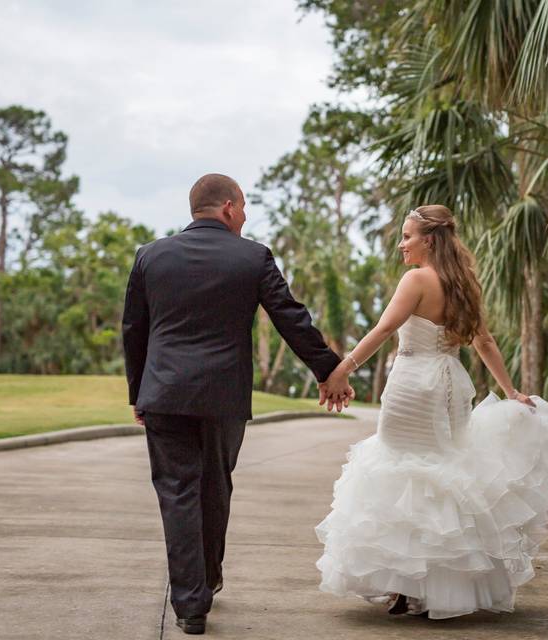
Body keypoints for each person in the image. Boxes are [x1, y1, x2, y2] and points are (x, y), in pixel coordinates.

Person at [122, 173, 353, 635]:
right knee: (214, 487)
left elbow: (134, 331)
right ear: (228, 207)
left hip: (164, 395)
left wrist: (139, 393)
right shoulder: (252, 257)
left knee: (178, 492)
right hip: (223, 397)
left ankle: (191, 603)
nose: (245, 217)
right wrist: (328, 369)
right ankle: (204, 579)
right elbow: (291, 317)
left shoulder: (150, 256)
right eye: (243, 207)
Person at [314, 204, 548, 619]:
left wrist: (343, 369)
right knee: (440, 471)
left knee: (400, 470)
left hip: (413, 384)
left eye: (407, 236)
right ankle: (431, 587)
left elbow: (383, 331)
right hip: (450, 385)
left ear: (428, 240)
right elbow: (483, 342)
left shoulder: (415, 279)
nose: (402, 244)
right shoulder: (463, 282)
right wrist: (511, 391)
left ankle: (403, 588)